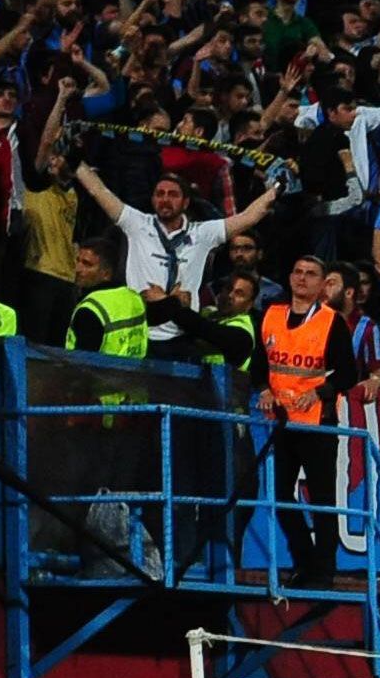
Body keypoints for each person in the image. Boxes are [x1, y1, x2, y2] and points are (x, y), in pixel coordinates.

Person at [73, 164, 281, 351]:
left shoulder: (202, 233)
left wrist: (276, 189)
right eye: (160, 194)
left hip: (181, 336)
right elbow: (98, 191)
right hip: (140, 334)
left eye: (173, 194)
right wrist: (77, 163)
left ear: (186, 202)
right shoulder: (137, 224)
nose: (165, 199)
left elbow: (248, 217)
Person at [250, 255, 358, 586]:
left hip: (317, 423)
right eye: (297, 272)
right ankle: (305, 561)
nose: (302, 278)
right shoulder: (271, 315)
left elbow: (349, 373)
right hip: (281, 423)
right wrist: (264, 388)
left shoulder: (330, 321)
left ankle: (324, 570)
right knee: (281, 494)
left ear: (322, 283)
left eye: (311, 274)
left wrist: (320, 392)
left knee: (323, 499)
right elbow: (258, 364)